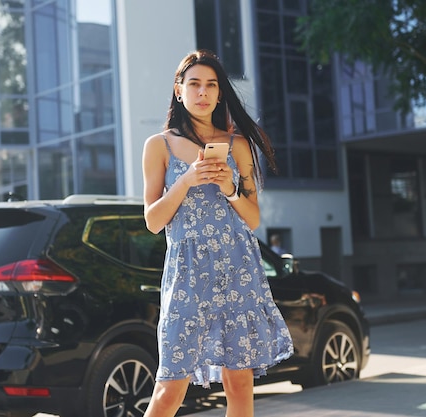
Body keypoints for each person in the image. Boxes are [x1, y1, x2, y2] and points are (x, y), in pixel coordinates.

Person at [142, 50, 294, 417]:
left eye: (211, 85)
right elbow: (152, 219)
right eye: (194, 84)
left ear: (220, 93)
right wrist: (187, 180)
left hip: (238, 271)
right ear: (179, 91)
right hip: (188, 275)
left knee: (239, 385)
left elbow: (253, 218)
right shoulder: (158, 145)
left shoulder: (237, 145)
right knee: (168, 388)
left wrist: (230, 189)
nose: (203, 92)